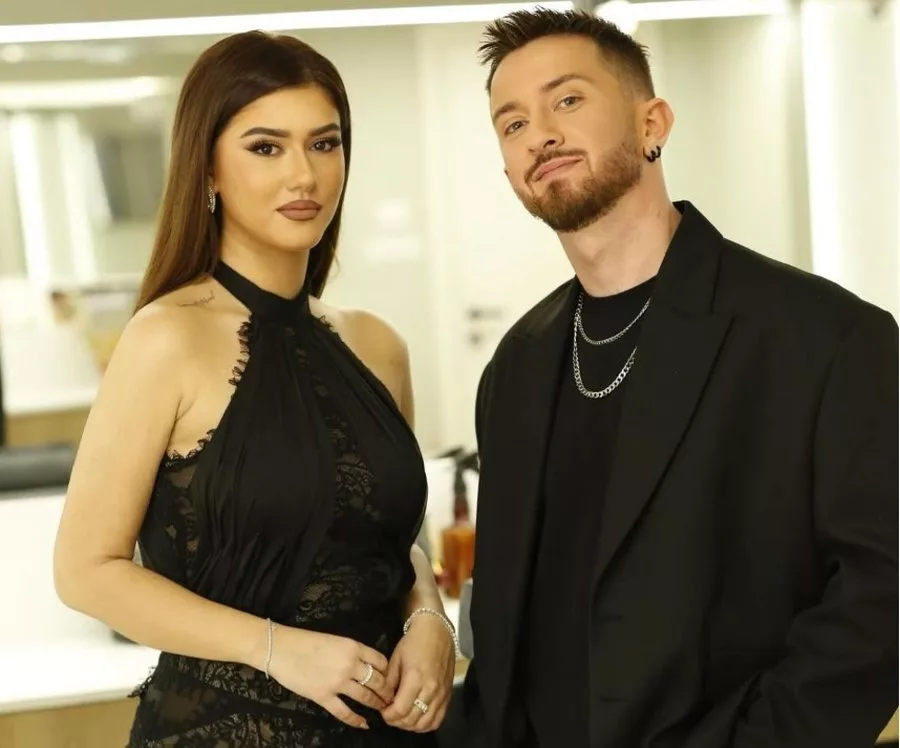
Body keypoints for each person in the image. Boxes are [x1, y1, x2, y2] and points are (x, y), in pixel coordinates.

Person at [461, 8, 898, 748]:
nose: (540, 134)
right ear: (508, 170)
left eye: (568, 99)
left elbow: (882, 599)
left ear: (652, 123)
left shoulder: (826, 338)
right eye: (513, 123)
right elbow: (509, 622)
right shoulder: (516, 365)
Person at [53, 31, 456, 746]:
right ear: (207, 167)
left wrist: (428, 616)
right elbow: (86, 572)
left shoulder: (378, 346)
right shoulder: (165, 339)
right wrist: (277, 648)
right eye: (266, 147)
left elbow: (389, 542)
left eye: (324, 144)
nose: (303, 175)